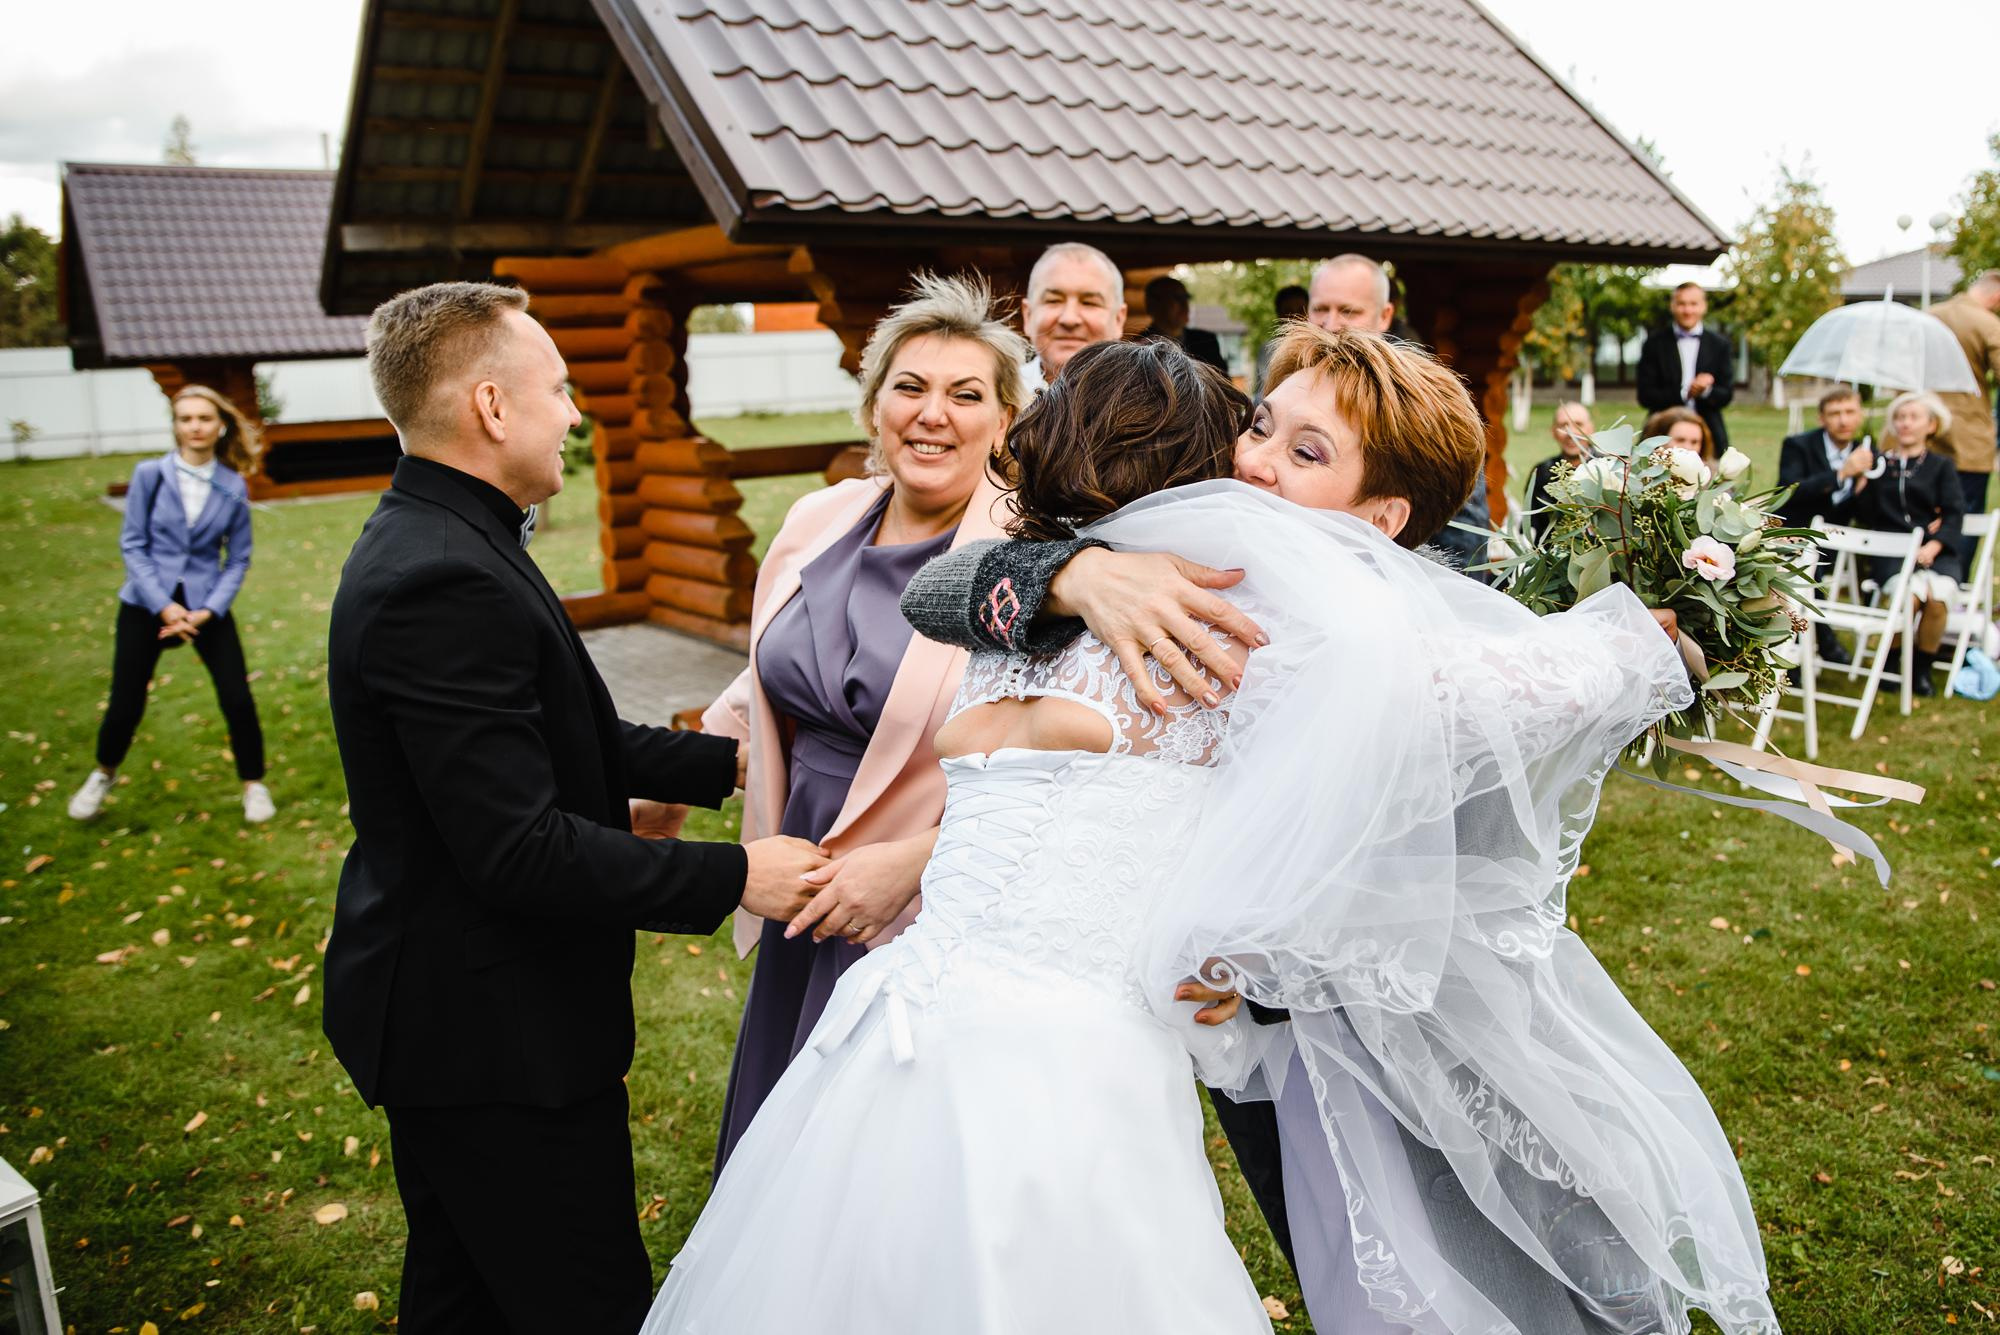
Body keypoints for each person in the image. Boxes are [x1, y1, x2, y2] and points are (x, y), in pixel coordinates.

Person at [647, 331, 1776, 1335]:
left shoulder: (1338, 627)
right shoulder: (1172, 599)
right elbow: (943, 589)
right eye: (1256, 432)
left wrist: (1649, 652)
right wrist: (1083, 571)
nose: (1249, 466)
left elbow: (1480, 691)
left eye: (1300, 453)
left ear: (1382, 516)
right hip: (1127, 1031)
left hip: (1361, 1022)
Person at [321, 281, 827, 1333]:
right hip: (489, 1041)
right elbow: (519, 851)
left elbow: (557, 741)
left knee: (463, 1298)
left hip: (464, 1024)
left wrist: (729, 763)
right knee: (581, 1300)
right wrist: (744, 875)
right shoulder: (442, 579)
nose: (576, 413)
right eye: (558, 388)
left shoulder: (453, 533)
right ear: (492, 408)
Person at [704, 274, 1029, 1171]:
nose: (934, 415)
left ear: (1004, 421)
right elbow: (767, 680)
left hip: (924, 885)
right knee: (783, 1119)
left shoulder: (1027, 559)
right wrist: (678, 776)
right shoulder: (819, 517)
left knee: (876, 1152)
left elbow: (1051, 768)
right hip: (798, 859)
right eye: (910, 387)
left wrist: (916, 865)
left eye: (967, 395)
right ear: (873, 404)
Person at [68, 385, 274, 825]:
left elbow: (237, 558)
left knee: (237, 698)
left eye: (203, 418)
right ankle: (103, 773)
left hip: (206, 605)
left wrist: (208, 610)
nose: (194, 427)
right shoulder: (149, 475)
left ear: (220, 426)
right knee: (126, 700)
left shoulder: (233, 484)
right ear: (175, 425)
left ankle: (254, 785)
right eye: (185, 419)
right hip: (147, 601)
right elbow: (133, 544)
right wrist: (164, 606)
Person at [1848, 390, 1967, 695]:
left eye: (1914, 417)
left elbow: (1954, 512)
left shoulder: (1941, 467)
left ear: (1930, 425)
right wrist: (1862, 485)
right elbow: (1866, 515)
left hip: (1935, 551)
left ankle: (1922, 668)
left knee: (1937, 598)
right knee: (1909, 598)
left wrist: (1934, 546)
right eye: (1899, 418)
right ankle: (1893, 661)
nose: (1905, 424)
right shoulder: (1880, 464)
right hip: (1891, 553)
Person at [1779, 386, 1875, 666]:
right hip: (1794, 533)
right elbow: (1791, 490)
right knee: (1805, 573)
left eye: (1849, 412)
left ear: (1860, 416)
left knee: (1816, 569)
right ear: (1821, 418)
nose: (1843, 420)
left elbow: (1870, 513)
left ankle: (1812, 642)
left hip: (1838, 543)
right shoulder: (1798, 445)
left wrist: (1862, 488)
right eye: (1835, 414)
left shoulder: (1868, 452)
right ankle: (1814, 642)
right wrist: (1842, 473)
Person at [1930, 269, 2000, 511]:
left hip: (1923, 432)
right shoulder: (1988, 324)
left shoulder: (1930, 315)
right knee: (1964, 514)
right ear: (1996, 295)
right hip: (1968, 438)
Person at [1637, 281, 1734, 451]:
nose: (1687, 310)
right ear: (1672, 306)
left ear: (1704, 306)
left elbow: (1726, 395)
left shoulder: (1720, 345)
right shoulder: (1654, 344)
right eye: (1681, 304)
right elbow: (1645, 395)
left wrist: (1705, 391)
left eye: (1693, 304)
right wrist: (1684, 393)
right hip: (1661, 432)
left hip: (1708, 433)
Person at [1019, 241, 1126, 390]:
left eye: (1089, 303)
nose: (1069, 319)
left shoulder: (1147, 399)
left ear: (1118, 319)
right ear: (1028, 315)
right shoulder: (1000, 394)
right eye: (1053, 300)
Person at [1524, 400, 1594, 541]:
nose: (1571, 432)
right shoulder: (1540, 473)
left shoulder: (1607, 469)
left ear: (1591, 429)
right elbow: (1531, 526)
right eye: (1563, 425)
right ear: (1553, 432)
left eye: (1578, 424)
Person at [1140, 273, 1230, 373]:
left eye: (1186, 298)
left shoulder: (1206, 341)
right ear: (1153, 304)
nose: (1185, 305)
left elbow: (1222, 382)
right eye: (1178, 298)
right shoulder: (1138, 346)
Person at [1253, 284, 1309, 403]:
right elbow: (1265, 389)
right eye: (1288, 311)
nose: (1294, 317)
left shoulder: (1320, 347)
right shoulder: (1268, 350)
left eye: (1300, 310)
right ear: (1279, 314)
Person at [1644, 404, 1717, 461]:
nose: (1688, 448)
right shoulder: (1637, 476)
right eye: (1680, 440)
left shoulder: (1711, 477)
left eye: (1694, 442)